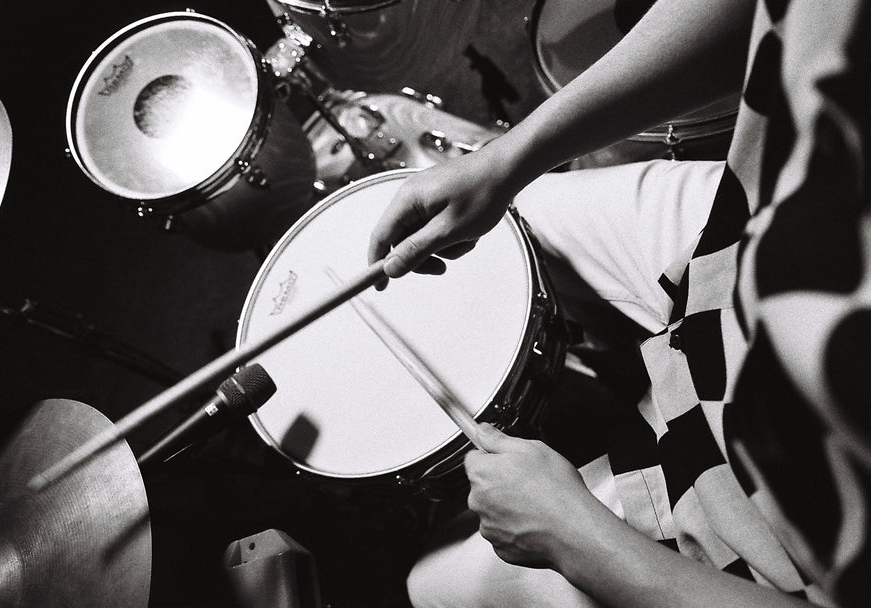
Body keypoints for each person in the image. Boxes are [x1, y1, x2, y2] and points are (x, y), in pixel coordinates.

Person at [366, 0, 871, 606]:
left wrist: (571, 533)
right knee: (516, 226)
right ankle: (621, 368)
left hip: (773, 517)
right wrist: (504, 162)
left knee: (430, 586)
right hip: (738, 236)